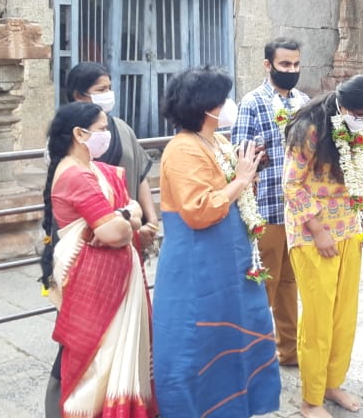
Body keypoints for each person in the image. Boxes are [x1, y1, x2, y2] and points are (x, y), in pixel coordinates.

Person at [152, 66, 281, 417]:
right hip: (198, 269)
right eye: (223, 99)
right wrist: (240, 180)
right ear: (204, 106)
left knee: (235, 339)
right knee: (198, 347)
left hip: (231, 265)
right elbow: (199, 210)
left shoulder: (219, 141)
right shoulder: (182, 150)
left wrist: (250, 172)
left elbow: (234, 192)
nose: (228, 104)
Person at [40, 102, 155, 417]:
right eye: (102, 129)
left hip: (113, 278)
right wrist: (127, 214)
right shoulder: (76, 175)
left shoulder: (95, 170)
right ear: (80, 133)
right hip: (93, 282)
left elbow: (123, 217)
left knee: (109, 354)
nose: (107, 134)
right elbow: (114, 233)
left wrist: (125, 215)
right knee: (95, 357)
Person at [284, 75, 363, 418]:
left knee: (343, 316)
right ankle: (310, 399)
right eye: (356, 111)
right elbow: (292, 185)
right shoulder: (310, 129)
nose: (360, 117)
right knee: (318, 319)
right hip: (313, 236)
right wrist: (318, 228)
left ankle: (332, 383)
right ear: (341, 102)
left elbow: (360, 178)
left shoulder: (353, 128)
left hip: (348, 231)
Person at [230, 37, 310, 367]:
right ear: (268, 65)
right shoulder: (252, 102)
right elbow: (240, 154)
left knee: (291, 285)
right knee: (263, 286)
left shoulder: (304, 101)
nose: (291, 70)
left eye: (295, 65)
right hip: (267, 210)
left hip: (299, 213)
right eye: (285, 65)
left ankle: (288, 352)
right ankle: (253, 356)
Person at [64, 62, 159, 253]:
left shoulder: (122, 129)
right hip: (88, 237)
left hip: (128, 230)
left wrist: (152, 219)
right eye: (101, 89)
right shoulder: (67, 136)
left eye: (109, 88)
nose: (108, 94)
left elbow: (140, 176)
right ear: (78, 95)